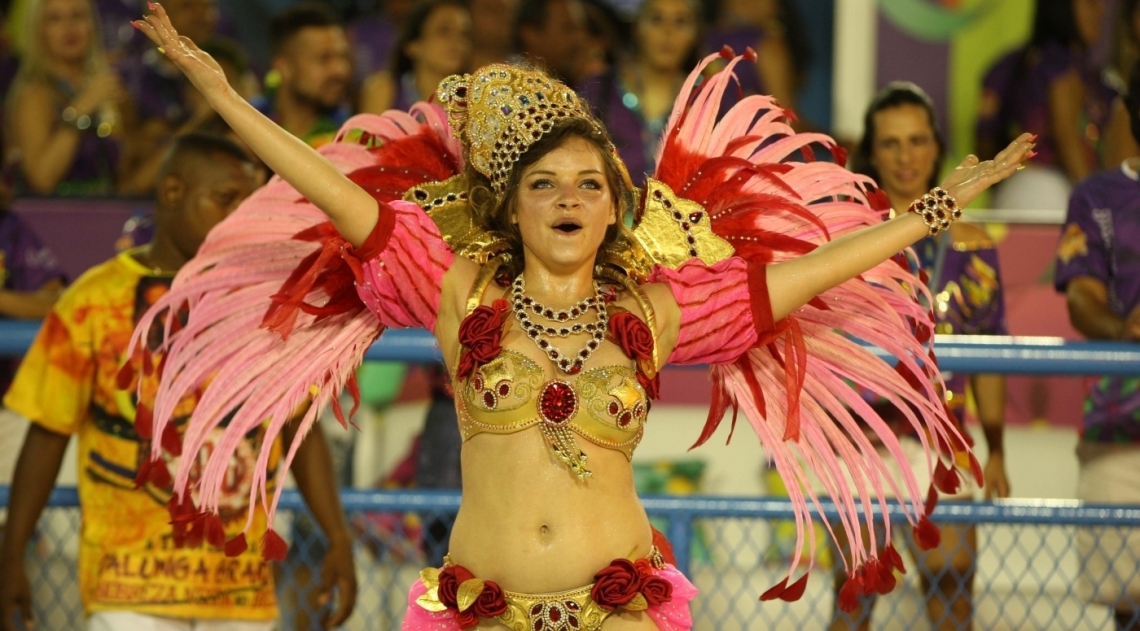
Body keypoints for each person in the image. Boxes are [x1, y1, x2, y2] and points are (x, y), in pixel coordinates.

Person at [129, 5, 1033, 630]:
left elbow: (815, 268)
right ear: (513, 208)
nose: (567, 198)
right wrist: (217, 89)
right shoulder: (459, 288)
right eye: (545, 184)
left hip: (619, 607)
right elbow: (326, 185)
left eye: (588, 184)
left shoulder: (657, 307)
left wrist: (936, 209)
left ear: (614, 209)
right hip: (482, 608)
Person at [0, 133, 357, 631]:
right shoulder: (92, 299)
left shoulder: (265, 300)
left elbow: (301, 429)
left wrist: (338, 539)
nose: (238, 217)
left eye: (247, 202)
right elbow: (48, 432)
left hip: (239, 590)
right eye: (224, 199)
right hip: (127, 586)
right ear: (171, 192)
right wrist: (11, 556)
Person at [837, 81, 1012, 631]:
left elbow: (989, 350)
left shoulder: (975, 244)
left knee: (953, 601)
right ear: (872, 152)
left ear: (937, 147)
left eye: (916, 140)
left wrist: (998, 448)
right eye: (890, 144)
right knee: (854, 604)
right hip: (858, 444)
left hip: (944, 444)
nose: (906, 156)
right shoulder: (843, 240)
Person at [1054, 64, 1140, 631]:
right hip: (1121, 432)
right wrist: (1127, 330)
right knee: (1128, 610)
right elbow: (1081, 298)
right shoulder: (1097, 197)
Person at [977, 0, 1114, 213]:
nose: (1102, 11)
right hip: (1050, 197)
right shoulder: (1061, 64)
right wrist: (1099, 205)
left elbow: (984, 137)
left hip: (1011, 194)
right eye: (1091, 3)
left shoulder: (1012, 64)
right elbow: (1067, 137)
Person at [5, 0, 127, 196]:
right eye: (55, 19)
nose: (68, 27)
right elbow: (42, 179)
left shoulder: (104, 86)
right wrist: (82, 107)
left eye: (77, 16)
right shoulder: (34, 94)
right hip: (56, 219)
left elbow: (123, 174)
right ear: (38, 31)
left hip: (106, 213)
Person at [581, 0, 701, 186]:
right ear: (636, 27)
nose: (668, 32)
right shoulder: (598, 90)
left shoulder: (708, 99)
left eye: (680, 22)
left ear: (695, 34)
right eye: (656, 19)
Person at [252, 2, 351, 149]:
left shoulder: (351, 135)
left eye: (343, 57)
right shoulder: (247, 126)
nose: (340, 70)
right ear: (284, 67)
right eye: (324, 58)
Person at [360, 0, 472, 115]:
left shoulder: (471, 101)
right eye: (444, 31)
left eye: (464, 34)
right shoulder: (385, 90)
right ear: (413, 45)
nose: (457, 42)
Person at [512, 0, 587, 86]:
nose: (580, 38)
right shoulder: (509, 89)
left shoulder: (585, 80)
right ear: (531, 35)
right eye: (568, 28)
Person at [468, 0, 517, 70]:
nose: (501, 16)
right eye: (491, 9)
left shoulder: (524, 72)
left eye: (505, 11)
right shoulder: (452, 71)